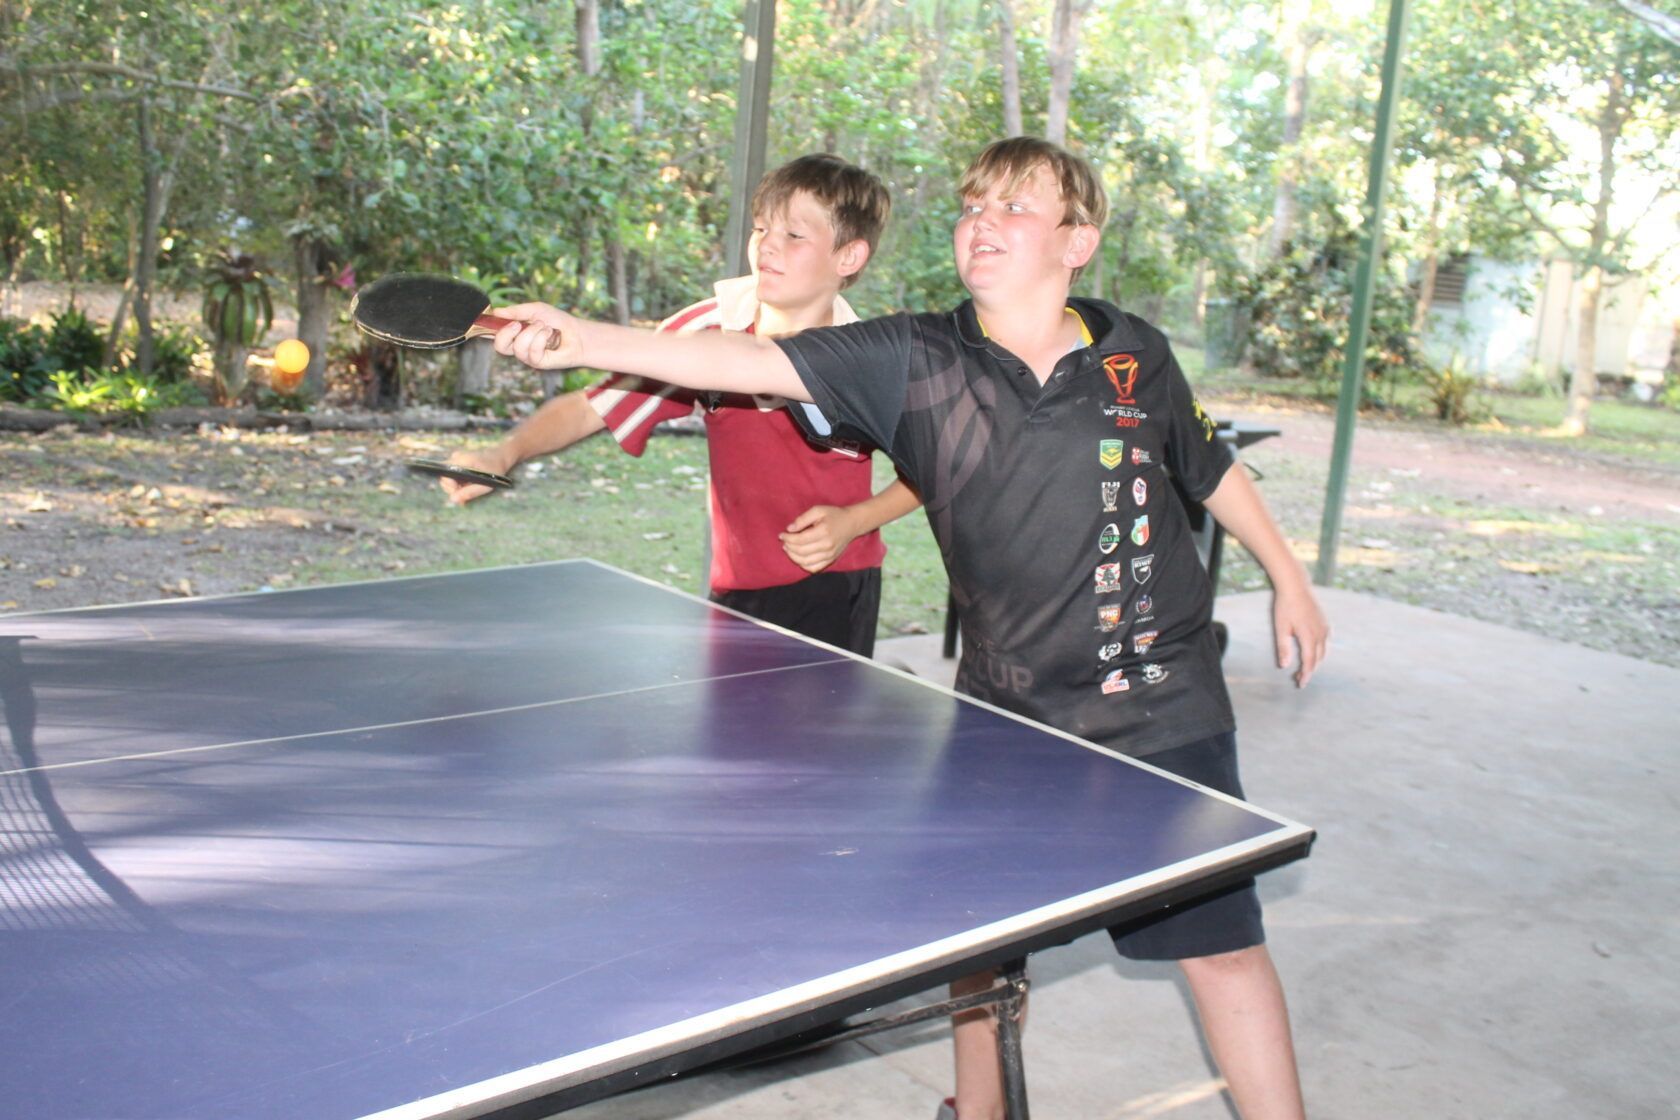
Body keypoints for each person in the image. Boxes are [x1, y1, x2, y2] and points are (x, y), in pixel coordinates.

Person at [484, 137, 1330, 1120]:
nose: (982, 222)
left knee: (1223, 950)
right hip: (1011, 713)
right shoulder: (913, 358)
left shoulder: (1135, 352)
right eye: (973, 206)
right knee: (982, 949)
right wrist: (584, 338)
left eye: (1014, 207)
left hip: (1162, 702)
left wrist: (1290, 577)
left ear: (1077, 242)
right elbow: (744, 356)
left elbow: (1207, 466)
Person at [440, 154, 919, 656]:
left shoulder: (870, 359)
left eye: (794, 235)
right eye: (760, 228)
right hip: (737, 588)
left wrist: (854, 521)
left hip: (839, 583)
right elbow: (592, 406)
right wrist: (504, 453)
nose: (766, 245)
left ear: (849, 257)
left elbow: (936, 470)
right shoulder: (706, 330)